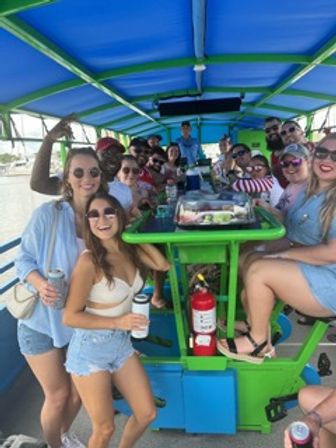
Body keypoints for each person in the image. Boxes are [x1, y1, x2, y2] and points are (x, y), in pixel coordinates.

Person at [16, 146, 107, 448]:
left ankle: (62, 435)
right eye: (78, 172)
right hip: (40, 323)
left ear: (101, 176)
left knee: (79, 392)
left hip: (79, 322)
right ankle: (53, 445)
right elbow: (23, 259)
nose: (86, 178)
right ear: (67, 178)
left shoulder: (102, 217)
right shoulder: (48, 215)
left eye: (93, 172)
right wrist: (40, 283)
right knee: (57, 395)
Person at [63, 192, 170, 448]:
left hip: (120, 345)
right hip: (90, 350)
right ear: (87, 222)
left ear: (119, 216)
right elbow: (69, 316)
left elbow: (162, 264)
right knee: (104, 428)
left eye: (109, 212)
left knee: (147, 413)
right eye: (94, 215)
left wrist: (131, 231)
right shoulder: (89, 261)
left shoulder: (129, 250)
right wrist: (117, 322)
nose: (102, 220)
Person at [217, 134, 336, 364]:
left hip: (329, 279)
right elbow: (293, 227)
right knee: (247, 258)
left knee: (260, 269)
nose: (327, 159)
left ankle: (258, 342)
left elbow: (332, 252)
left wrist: (284, 254)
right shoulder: (307, 190)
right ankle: (255, 323)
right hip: (312, 264)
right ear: (313, 156)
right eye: (322, 153)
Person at [30, 115, 132, 212]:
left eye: (118, 155)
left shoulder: (125, 191)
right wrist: (49, 140)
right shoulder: (78, 181)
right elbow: (38, 185)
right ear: (95, 156)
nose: (114, 159)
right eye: (107, 154)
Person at [263, 116, 288, 188]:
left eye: (275, 128)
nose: (272, 132)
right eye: (267, 131)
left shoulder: (293, 149)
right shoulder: (273, 155)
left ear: (282, 128)